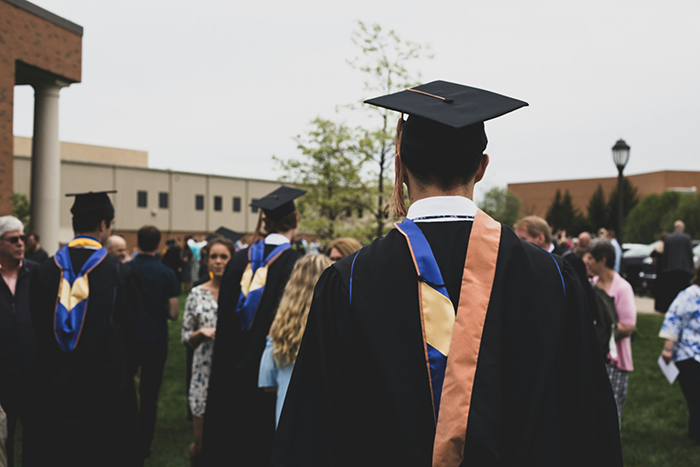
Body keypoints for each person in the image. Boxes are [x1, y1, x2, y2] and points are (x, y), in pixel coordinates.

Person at [272, 81, 622, 466]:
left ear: (399, 164)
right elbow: (588, 425)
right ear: (481, 167)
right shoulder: (553, 277)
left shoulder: (350, 280)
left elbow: (312, 435)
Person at [27, 191, 140, 467]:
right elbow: (133, 337)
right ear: (104, 225)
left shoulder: (43, 270)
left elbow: (36, 328)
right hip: (103, 395)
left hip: (53, 391)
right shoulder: (120, 272)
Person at [201, 186, 304, 467]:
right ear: (295, 221)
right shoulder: (295, 264)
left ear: (264, 221)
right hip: (267, 372)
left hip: (229, 366)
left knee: (231, 442)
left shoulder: (237, 260)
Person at [258, 253, 333, 426]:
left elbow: (267, 382)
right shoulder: (335, 321)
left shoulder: (280, 326)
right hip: (327, 419)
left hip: (288, 420)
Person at [127, 225, 180, 465]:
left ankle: (127, 437)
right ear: (159, 244)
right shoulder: (166, 273)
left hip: (129, 339)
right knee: (150, 394)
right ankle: (143, 445)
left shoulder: (125, 269)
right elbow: (173, 313)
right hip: (155, 339)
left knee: (126, 389)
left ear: (137, 242)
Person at [181, 237, 234, 465]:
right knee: (201, 444)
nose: (218, 262)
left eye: (224, 257)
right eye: (214, 257)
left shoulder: (240, 294)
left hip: (231, 375)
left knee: (227, 443)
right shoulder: (196, 294)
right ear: (206, 261)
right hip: (203, 374)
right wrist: (201, 332)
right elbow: (185, 338)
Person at [584, 238, 637, 426]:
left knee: (610, 412)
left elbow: (628, 326)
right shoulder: (592, 284)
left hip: (615, 361)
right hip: (594, 357)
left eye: (590, 258)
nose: (586, 261)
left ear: (603, 261)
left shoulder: (622, 288)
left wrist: (601, 331)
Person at [0, 217, 36, 467]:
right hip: (3, 373)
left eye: (22, 238)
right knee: (5, 436)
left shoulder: (36, 273)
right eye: (14, 240)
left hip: (33, 371)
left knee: (35, 436)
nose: (21, 243)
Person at [659, 265, 700, 443]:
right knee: (696, 398)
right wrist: (668, 349)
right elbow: (673, 319)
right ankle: (696, 435)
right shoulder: (690, 294)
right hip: (688, 354)